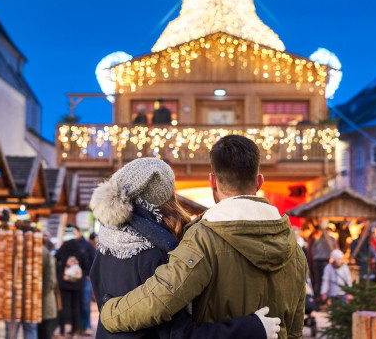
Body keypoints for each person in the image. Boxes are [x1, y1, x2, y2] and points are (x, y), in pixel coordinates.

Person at [100, 135, 308, 338]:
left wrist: (109, 313)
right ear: (259, 181)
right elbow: (295, 327)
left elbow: (160, 299)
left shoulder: (203, 239)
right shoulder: (293, 247)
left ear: (212, 182)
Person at [56, 224, 86, 336]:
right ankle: (74, 331)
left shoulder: (63, 247)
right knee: (75, 306)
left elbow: (56, 259)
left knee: (63, 306)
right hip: (77, 282)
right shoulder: (79, 247)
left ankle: (62, 331)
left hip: (64, 282)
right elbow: (85, 264)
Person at [308, 225, 337, 307]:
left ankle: (321, 300)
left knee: (320, 281)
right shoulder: (327, 239)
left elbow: (313, 251)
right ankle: (321, 300)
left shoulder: (319, 239)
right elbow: (334, 249)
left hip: (319, 261)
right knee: (323, 281)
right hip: (322, 261)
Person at [75, 227, 97, 334]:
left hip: (85, 277)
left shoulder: (87, 245)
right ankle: (79, 326)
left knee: (85, 301)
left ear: (79, 232)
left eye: (74, 232)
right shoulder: (71, 245)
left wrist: (89, 274)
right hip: (74, 278)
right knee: (77, 302)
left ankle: (86, 326)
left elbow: (94, 260)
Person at [38, 233, 59, 339]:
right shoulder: (47, 252)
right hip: (44, 298)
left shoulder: (44, 253)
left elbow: (50, 280)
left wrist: (40, 295)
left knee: (44, 329)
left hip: (45, 300)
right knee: (43, 329)